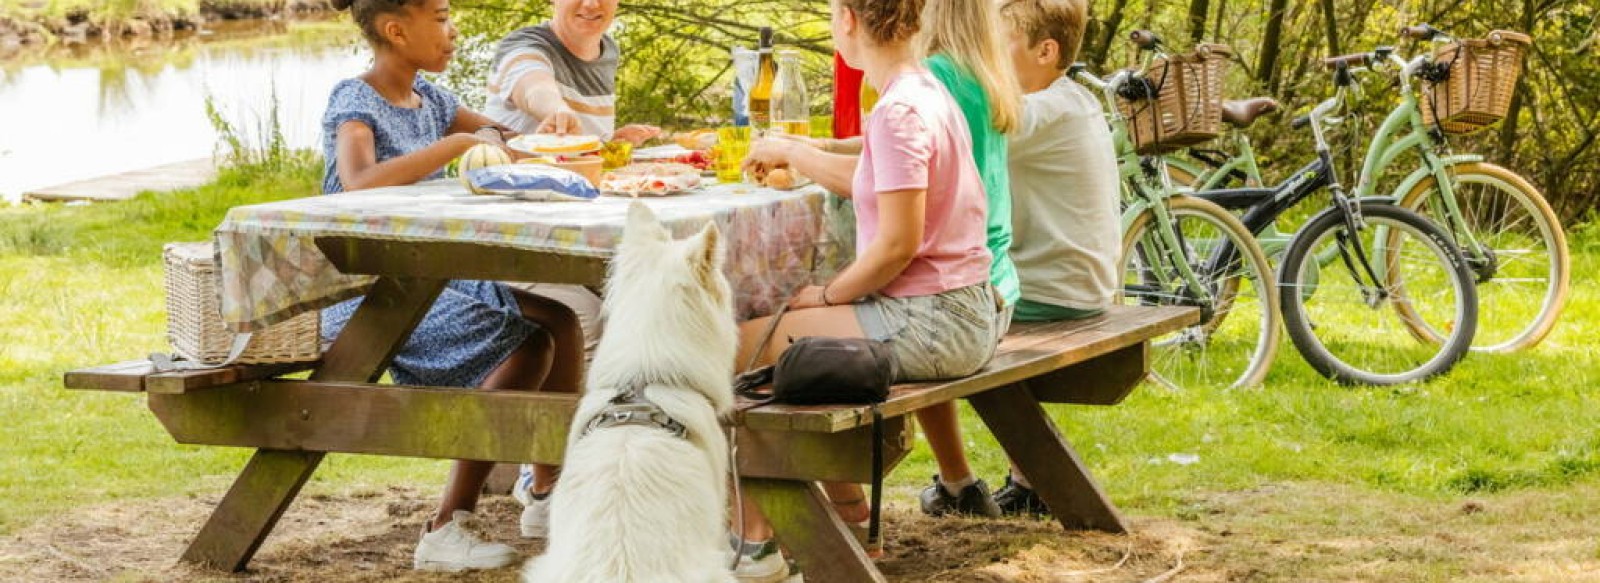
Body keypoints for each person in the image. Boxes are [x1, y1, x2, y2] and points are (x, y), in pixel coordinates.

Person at [734, 0, 1002, 578]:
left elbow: (896, 245)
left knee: (740, 348)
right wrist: (810, 152)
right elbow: (882, 174)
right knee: (792, 352)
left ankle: (756, 544)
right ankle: (851, 517)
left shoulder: (900, 109)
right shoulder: (923, 90)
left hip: (933, 320)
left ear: (849, 21)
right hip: (959, 310)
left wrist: (830, 295)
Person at [321, 0, 583, 572]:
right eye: (440, 18)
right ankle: (447, 525)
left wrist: (554, 132)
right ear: (395, 29)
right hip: (372, 297)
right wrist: (457, 147)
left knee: (559, 320)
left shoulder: (432, 100)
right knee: (529, 343)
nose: (453, 31)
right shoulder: (356, 100)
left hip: (434, 280)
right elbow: (356, 182)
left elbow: (507, 140)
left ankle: (544, 492)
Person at [991, 0, 1120, 515]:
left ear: (1046, 51)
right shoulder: (1068, 99)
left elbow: (933, 144)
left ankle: (961, 482)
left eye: (1001, 42)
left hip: (1053, 294)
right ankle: (1021, 479)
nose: (989, 56)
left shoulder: (1040, 112)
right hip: (1074, 285)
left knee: (921, 306)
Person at [482, 0, 658, 145]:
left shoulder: (609, 51)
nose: (591, 4)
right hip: (510, 183)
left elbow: (573, 152)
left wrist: (609, 145)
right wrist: (556, 110)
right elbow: (534, 88)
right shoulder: (524, 44)